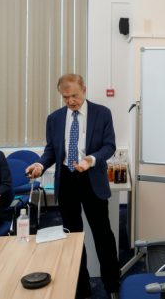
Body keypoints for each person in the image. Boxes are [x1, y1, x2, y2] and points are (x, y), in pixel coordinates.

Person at [26, 74, 120, 298]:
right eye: (65, 97)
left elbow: (109, 146)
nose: (70, 101)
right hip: (67, 180)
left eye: (74, 96)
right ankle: (81, 286)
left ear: (84, 89)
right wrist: (40, 164)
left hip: (91, 178)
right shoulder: (54, 118)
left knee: (102, 235)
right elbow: (51, 150)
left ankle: (113, 286)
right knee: (72, 236)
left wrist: (90, 160)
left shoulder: (102, 113)